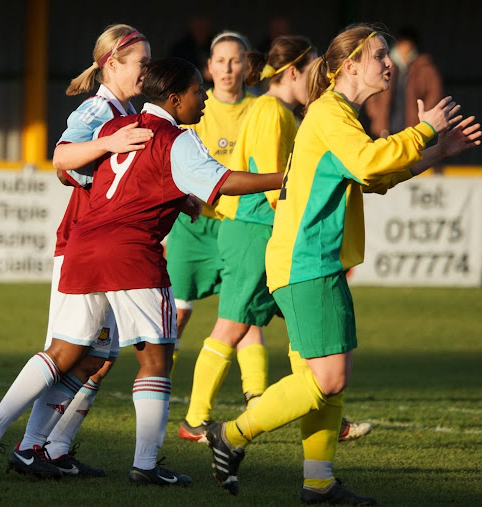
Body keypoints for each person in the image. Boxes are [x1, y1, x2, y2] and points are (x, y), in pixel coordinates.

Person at [0, 56, 284, 487]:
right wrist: (282, 178)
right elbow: (223, 181)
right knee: (155, 358)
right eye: (196, 91)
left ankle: (3, 434)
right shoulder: (176, 138)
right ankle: (146, 465)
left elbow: (77, 174)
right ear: (174, 98)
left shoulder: (117, 129)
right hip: (130, 251)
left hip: (83, 245)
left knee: (75, 354)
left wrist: (171, 194)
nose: (204, 96)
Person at [206, 24, 480, 504]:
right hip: (306, 260)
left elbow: (370, 177)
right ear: (350, 65)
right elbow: (371, 163)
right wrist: (424, 132)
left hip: (313, 260)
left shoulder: (336, 113)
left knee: (329, 380)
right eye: (379, 55)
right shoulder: (332, 112)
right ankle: (228, 435)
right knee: (327, 379)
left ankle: (318, 482)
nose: (388, 62)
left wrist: (434, 151)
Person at [0, 24, 154, 479]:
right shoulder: (99, 108)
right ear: (112, 64)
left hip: (106, 245)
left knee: (99, 356)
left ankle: (44, 449)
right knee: (70, 350)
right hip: (83, 243)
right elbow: (61, 157)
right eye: (141, 64)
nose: (147, 72)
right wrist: (108, 142)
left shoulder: (126, 109)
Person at [179, 35, 314, 444]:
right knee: (232, 324)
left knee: (294, 320)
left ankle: (319, 398)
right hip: (254, 228)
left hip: (258, 229)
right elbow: (276, 184)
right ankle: (195, 419)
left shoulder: (266, 108)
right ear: (294, 71)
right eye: (315, 71)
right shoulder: (272, 112)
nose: (319, 80)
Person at [166, 31, 256, 377]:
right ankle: (159, 383)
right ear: (209, 66)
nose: (228, 68)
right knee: (178, 311)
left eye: (235, 60)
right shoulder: (194, 108)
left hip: (240, 224)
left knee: (244, 312)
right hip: (193, 224)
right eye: (221, 60)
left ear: (247, 66)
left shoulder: (262, 109)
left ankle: (256, 395)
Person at [364, 27, 443, 139]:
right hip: (384, 125)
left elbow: (435, 94)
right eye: (403, 45)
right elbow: (371, 90)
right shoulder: (383, 63)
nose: (405, 50)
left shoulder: (425, 67)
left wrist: (423, 115)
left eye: (409, 47)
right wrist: (375, 112)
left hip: (413, 125)